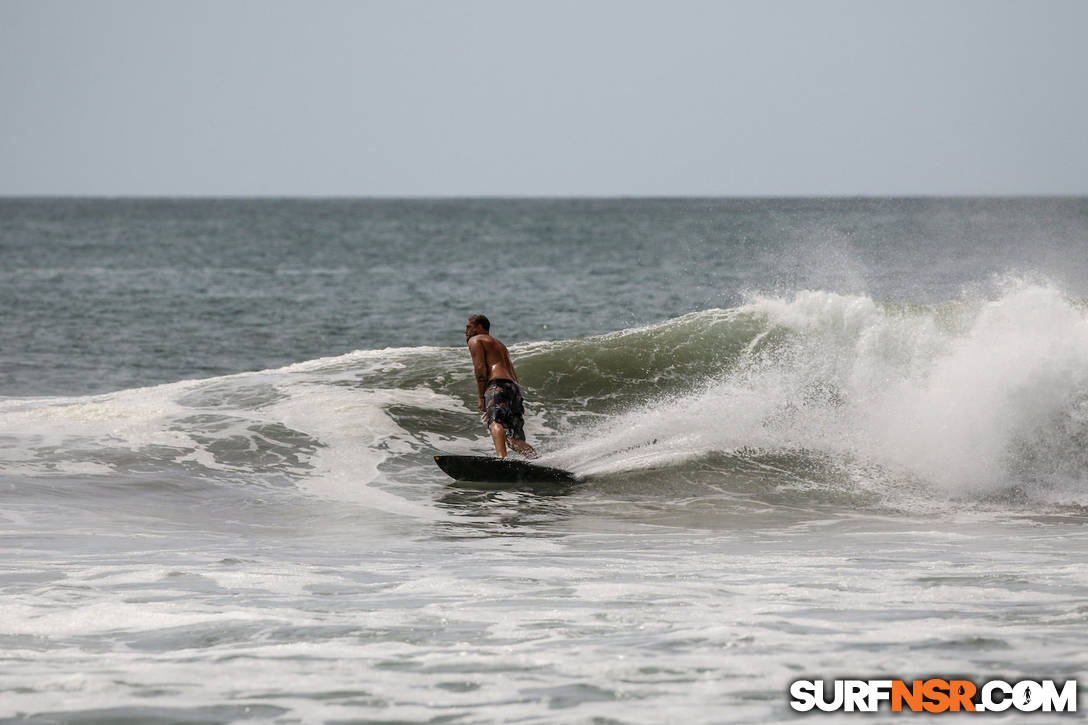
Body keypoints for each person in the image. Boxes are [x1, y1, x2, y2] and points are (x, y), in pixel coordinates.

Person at [464, 314, 537, 459]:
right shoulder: (500, 345)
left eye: (468, 327)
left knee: (494, 423)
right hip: (513, 388)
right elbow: (512, 372)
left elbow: (480, 368)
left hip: (496, 385)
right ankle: (537, 460)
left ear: (479, 327)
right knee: (514, 440)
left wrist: (482, 397)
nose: (465, 331)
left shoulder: (476, 340)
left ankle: (502, 459)